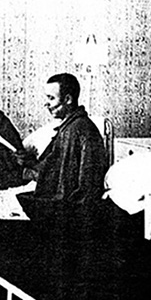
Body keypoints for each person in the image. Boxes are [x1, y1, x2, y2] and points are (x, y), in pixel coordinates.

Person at [23, 73, 107, 209]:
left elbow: (85, 185)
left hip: (71, 208)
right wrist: (28, 161)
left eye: (51, 98)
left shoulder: (79, 129)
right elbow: (51, 167)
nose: (46, 103)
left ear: (68, 99)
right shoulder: (68, 127)